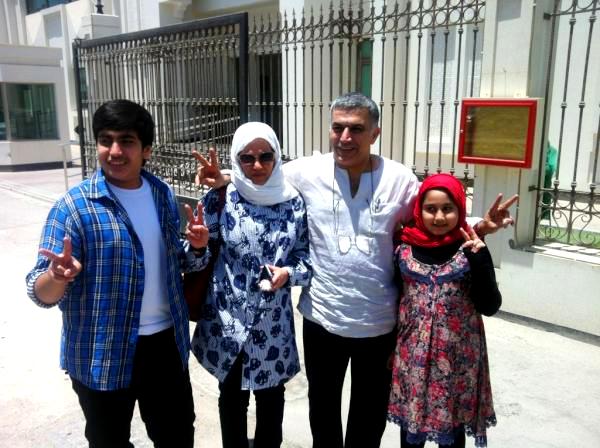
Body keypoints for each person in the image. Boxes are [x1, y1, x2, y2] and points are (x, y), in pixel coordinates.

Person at [193, 92, 517, 448]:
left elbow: (434, 218)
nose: (345, 137)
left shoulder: (399, 179)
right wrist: (225, 178)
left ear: (375, 133)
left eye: (356, 129)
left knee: (368, 420)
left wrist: (480, 227)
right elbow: (261, 177)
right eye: (338, 128)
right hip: (323, 320)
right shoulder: (306, 172)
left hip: (379, 324)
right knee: (324, 418)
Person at [25, 100, 206, 447]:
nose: (115, 151)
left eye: (127, 141)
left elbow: (176, 263)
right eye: (106, 140)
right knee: (108, 441)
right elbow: (40, 291)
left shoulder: (162, 195)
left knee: (178, 436)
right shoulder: (73, 208)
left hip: (165, 346)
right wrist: (58, 277)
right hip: (102, 350)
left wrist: (196, 248)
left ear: (146, 150)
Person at [190, 122, 311, 448]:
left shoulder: (293, 203)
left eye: (265, 156)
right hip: (228, 324)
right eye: (246, 158)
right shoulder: (220, 199)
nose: (257, 165)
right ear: (236, 159)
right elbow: (195, 260)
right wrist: (198, 248)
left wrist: (288, 274)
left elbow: (306, 260)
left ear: (277, 156)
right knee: (231, 399)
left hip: (273, 327)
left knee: (271, 401)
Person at [388, 173, 501, 448]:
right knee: (411, 430)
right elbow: (395, 299)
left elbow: (490, 305)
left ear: (460, 209)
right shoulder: (404, 247)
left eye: (447, 208)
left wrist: (481, 259)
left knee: (452, 433)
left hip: (457, 361)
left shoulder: (470, 249)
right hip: (411, 358)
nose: (439, 217)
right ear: (419, 210)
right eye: (431, 209)